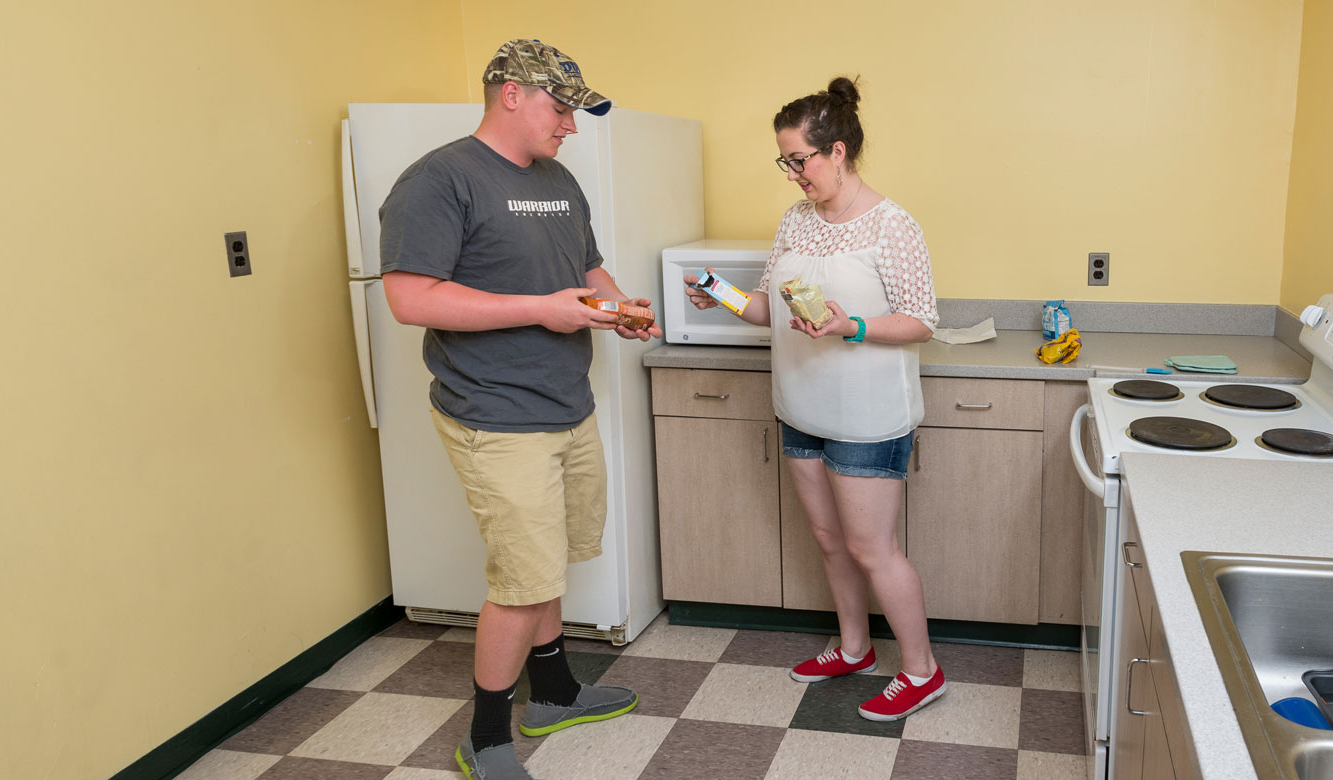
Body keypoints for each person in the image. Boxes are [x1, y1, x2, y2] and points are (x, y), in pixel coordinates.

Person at [379, 39, 654, 779]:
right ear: (510, 94)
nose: (569, 125)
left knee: (549, 556)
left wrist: (617, 305)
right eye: (559, 108)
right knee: (521, 581)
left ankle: (555, 693)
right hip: (494, 414)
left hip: (565, 399)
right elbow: (409, 298)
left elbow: (584, 268)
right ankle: (489, 737)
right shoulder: (440, 180)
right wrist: (542, 309)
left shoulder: (558, 180)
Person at [685, 76, 946, 721]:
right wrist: (716, 290)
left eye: (800, 159)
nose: (794, 174)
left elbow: (921, 319)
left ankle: (922, 671)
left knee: (871, 548)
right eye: (787, 161)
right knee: (830, 539)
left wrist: (849, 325)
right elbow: (769, 309)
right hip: (800, 404)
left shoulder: (892, 226)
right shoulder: (796, 223)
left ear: (838, 152)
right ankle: (854, 647)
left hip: (867, 415)